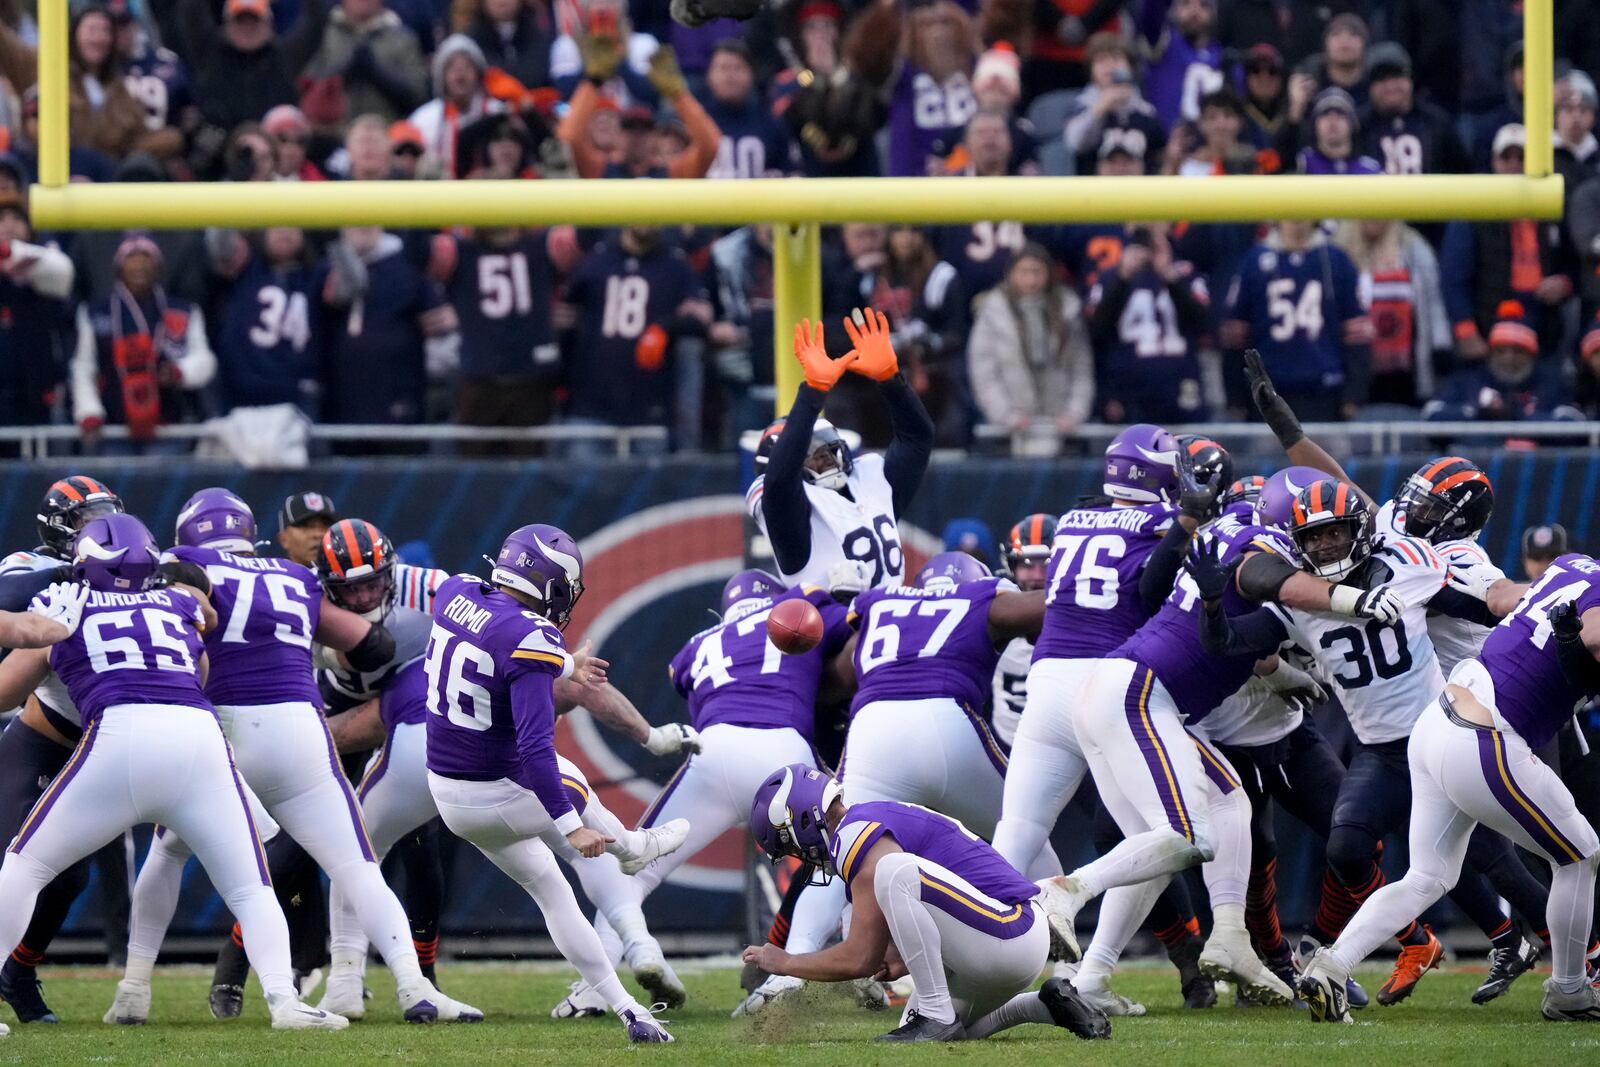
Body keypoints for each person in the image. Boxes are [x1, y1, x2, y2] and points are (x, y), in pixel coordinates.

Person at [104, 489, 482, 1026]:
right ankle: (413, 987)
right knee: (356, 865)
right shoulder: (294, 577)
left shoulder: (182, 564)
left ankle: (134, 989)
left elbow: (173, 589)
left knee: (169, 854)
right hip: (299, 729)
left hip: (221, 733)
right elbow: (372, 645)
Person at [0, 512, 345, 1032]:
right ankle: (284, 1001)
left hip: (118, 741)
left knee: (25, 867)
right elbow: (200, 671)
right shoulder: (179, 602)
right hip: (197, 741)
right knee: (251, 887)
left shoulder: (64, 602)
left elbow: (8, 683)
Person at [1299, 554, 1600, 1024]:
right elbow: (1593, 638)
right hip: (1487, 737)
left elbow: (1510, 600)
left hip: (1437, 721)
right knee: (1579, 853)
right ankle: (1569, 989)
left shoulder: (1571, 565)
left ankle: (1332, 965)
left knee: (1427, 876)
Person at [424, 524, 676, 1043]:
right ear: (551, 583)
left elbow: (496, 639)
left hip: (448, 795)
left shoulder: (456, 592)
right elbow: (535, 747)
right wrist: (570, 826)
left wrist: (565, 662)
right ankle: (633, 847)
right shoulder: (533, 638)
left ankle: (631, 1012)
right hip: (498, 793)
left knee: (554, 893)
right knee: (569, 777)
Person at [743, 764, 1112, 1043]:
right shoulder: (866, 823)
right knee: (931, 1028)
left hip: (1010, 928)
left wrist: (787, 962)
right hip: (995, 944)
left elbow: (860, 958)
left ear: (805, 821)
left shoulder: (856, 832)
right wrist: (900, 951)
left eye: (791, 846)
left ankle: (936, 1015)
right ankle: (1045, 1004)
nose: (799, 857)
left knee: (895, 871)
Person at [747, 310, 933, 589]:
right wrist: (812, 392)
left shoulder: (868, 482)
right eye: (811, 453)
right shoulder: (790, 511)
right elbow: (780, 481)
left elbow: (918, 437)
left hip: (892, 622)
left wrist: (891, 380)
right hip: (832, 629)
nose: (826, 457)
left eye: (826, 448)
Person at [557, 226, 711, 448]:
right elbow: (564, 316)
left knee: (649, 480)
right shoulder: (596, 262)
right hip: (591, 405)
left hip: (650, 407)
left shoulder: (674, 265)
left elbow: (702, 319)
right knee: (583, 480)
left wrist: (665, 328)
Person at [71, 233, 217, 452]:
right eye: (132, 258)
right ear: (119, 268)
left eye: (146, 258)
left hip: (168, 427)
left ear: (159, 268)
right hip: (113, 428)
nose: (139, 266)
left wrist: (180, 372)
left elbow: (205, 361)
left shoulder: (183, 311)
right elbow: (84, 367)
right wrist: (89, 412)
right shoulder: (94, 313)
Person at [1221, 219, 1371, 421]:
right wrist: (1236, 398)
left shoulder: (1336, 260)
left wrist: (1353, 396)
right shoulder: (1253, 262)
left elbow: (1357, 333)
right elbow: (1235, 334)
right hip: (1268, 392)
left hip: (1325, 393)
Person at [966, 243, 1094, 448]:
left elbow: (1081, 369)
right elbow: (983, 372)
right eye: (1024, 272)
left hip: (1062, 426)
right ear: (1011, 274)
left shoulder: (1068, 311)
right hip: (1009, 431)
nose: (1031, 280)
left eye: (1037, 272)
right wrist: (1006, 415)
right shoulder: (993, 313)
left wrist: (1074, 413)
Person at [1087, 223, 1209, 425]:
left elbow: (1202, 322)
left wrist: (1170, 276)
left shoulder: (1186, 273)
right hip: (1129, 389)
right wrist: (1122, 277)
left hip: (1180, 385)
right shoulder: (1109, 277)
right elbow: (1096, 330)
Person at [207, 226, 326, 415]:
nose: (285, 231)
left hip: (298, 396)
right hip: (242, 395)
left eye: (293, 225)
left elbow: (347, 288)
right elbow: (222, 245)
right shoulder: (247, 269)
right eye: (276, 225)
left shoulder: (317, 273)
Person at [1333, 218, 1450, 407]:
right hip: (1352, 365)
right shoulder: (1336, 252)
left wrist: (1440, 342)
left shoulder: (1413, 248)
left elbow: (1433, 299)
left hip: (1406, 368)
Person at [0, 197, 74, 433]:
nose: (9, 225)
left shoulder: (45, 262)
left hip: (36, 387)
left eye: (17, 218)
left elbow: (62, 271)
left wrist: (10, 252)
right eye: (1, 219)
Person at [303, 0, 430, 125]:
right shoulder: (322, 35)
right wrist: (344, 72)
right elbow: (306, 89)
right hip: (333, 135)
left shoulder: (404, 39)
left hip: (388, 133)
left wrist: (377, 73)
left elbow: (418, 95)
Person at [990, 515, 1057, 748]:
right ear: (1011, 565)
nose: (1038, 575)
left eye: (1047, 564)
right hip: (1004, 742)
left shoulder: (1083, 610)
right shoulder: (990, 609)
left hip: (1066, 745)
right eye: (1027, 564)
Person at [1062, 33, 1165, 175]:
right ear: (1091, 70)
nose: (1109, 66)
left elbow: (1158, 151)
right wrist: (1101, 107)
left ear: (1130, 67)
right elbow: (1075, 143)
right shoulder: (1081, 107)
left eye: (1116, 58)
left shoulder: (1145, 110)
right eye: (1101, 60)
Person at [700, 38, 792, 179]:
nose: (730, 76)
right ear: (709, 75)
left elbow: (790, 175)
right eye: (723, 68)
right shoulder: (694, 124)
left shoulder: (771, 125)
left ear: (751, 75)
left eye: (738, 68)